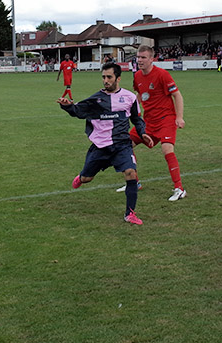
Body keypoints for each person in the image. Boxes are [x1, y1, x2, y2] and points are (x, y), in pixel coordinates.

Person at [57, 63, 153, 225]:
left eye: (109, 77)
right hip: (100, 147)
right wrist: (66, 106)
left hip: (122, 145)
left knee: (131, 173)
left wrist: (142, 132)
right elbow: (78, 111)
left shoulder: (129, 97)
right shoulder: (96, 99)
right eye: (103, 77)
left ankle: (130, 213)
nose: (106, 80)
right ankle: (81, 178)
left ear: (118, 78)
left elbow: (137, 118)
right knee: (87, 178)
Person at [116, 45, 187, 201]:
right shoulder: (138, 76)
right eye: (138, 57)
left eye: (143, 57)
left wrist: (179, 117)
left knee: (167, 149)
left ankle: (179, 188)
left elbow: (177, 95)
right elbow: (139, 95)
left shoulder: (162, 74)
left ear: (151, 59)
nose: (139, 60)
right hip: (148, 121)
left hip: (166, 119)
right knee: (124, 145)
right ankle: (134, 182)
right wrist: (131, 109)